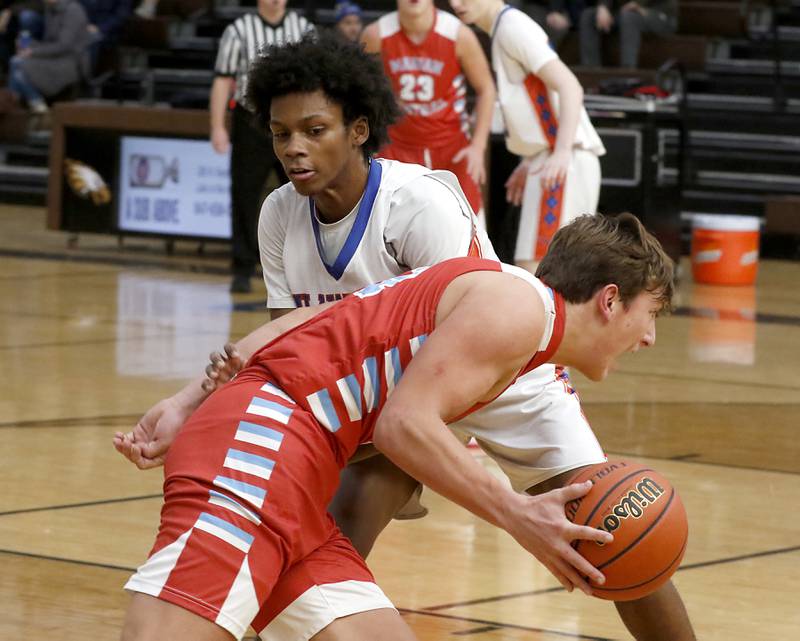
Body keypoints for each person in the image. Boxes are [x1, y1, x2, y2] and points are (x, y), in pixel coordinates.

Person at [115, 35, 695, 640]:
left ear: (359, 129)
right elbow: (342, 367)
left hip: (456, 382)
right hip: (284, 432)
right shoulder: (286, 215)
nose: (294, 148)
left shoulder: (427, 209)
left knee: (618, 530)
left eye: (314, 129)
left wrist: (434, 456)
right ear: (609, 300)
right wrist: (189, 399)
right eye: (281, 132)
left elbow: (409, 368)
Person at [118, 210, 677, 641]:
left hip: (291, 466)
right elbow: (403, 425)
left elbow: (322, 317)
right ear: (609, 301)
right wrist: (519, 514)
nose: (650, 338)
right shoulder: (519, 311)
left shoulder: (502, 299)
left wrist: (192, 401)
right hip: (260, 448)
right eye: (649, 314)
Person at [449, 0, 605, 274]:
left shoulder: (511, 26)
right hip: (551, 156)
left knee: (540, 274)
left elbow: (570, 86)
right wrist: (529, 159)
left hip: (564, 160)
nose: (456, 3)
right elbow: (539, 101)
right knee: (539, 274)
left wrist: (560, 152)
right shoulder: (502, 29)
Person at [210, 0, 314, 293]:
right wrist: (217, 126)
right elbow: (222, 80)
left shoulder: (304, 29)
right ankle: (242, 267)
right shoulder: (239, 30)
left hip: (294, 121)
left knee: (304, 194)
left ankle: (306, 265)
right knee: (244, 194)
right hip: (252, 121)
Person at [361, 0, 495, 221]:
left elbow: (486, 89)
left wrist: (478, 146)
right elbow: (362, 92)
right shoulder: (376, 34)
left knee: (471, 229)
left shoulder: (457, 34)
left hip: (451, 148)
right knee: (395, 231)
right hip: (397, 150)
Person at [6, 0, 90, 116]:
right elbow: (48, 42)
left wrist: (32, 52)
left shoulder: (73, 10)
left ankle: (25, 104)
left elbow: (64, 45)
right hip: (53, 57)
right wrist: (28, 45)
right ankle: (34, 104)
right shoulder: (49, 9)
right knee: (16, 61)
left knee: (16, 63)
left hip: (70, 62)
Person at [579, 0, 677, 69]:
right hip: (624, 12)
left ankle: (627, 71)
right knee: (589, 16)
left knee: (629, 17)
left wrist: (637, 3)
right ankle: (591, 68)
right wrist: (603, 6)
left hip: (657, 13)